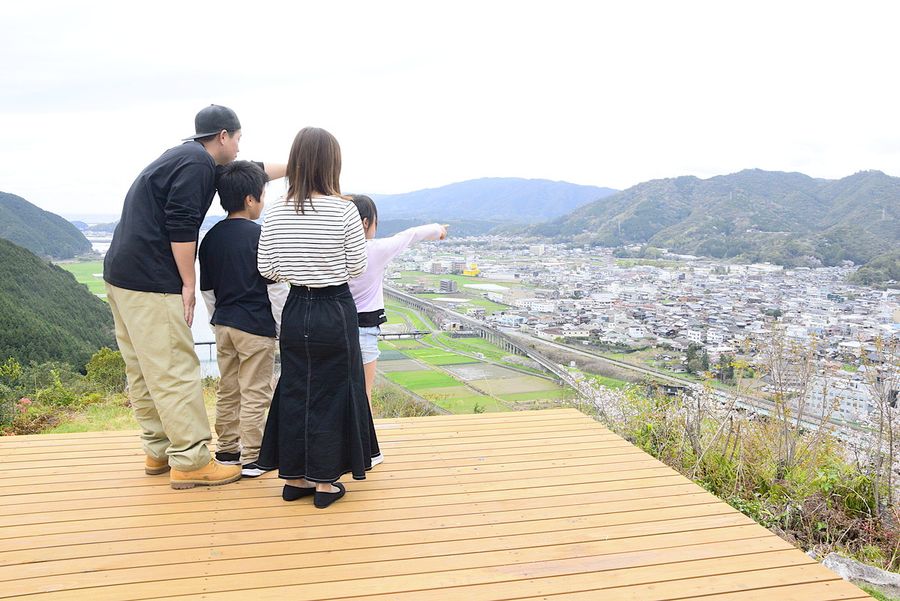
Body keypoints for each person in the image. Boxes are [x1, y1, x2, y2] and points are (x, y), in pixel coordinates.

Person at [104, 105, 285, 489]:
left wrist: (303, 163)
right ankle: (190, 460)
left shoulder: (184, 158)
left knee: (142, 368)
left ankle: (159, 449)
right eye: (237, 139)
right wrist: (188, 282)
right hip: (150, 279)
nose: (239, 147)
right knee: (174, 368)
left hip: (120, 274)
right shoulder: (197, 166)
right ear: (223, 135)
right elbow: (182, 223)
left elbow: (249, 172)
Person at [256, 127, 380, 509]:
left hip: (296, 308)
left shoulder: (276, 210)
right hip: (334, 308)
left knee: (296, 387)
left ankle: (293, 478)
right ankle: (326, 483)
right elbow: (357, 266)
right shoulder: (344, 210)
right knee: (335, 390)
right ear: (332, 164)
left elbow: (267, 268)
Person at [199, 161, 288, 479]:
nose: (263, 202)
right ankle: (252, 457)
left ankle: (226, 450)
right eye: (262, 196)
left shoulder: (209, 239)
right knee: (255, 391)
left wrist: (218, 321)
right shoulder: (261, 236)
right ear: (250, 199)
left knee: (228, 387)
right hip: (255, 326)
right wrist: (281, 327)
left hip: (224, 324)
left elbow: (207, 290)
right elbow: (276, 288)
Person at [347, 195, 447, 434]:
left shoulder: (330, 250)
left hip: (333, 325)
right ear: (364, 222)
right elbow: (410, 235)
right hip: (365, 329)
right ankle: (363, 448)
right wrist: (438, 230)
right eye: (375, 223)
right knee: (363, 393)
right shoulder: (376, 249)